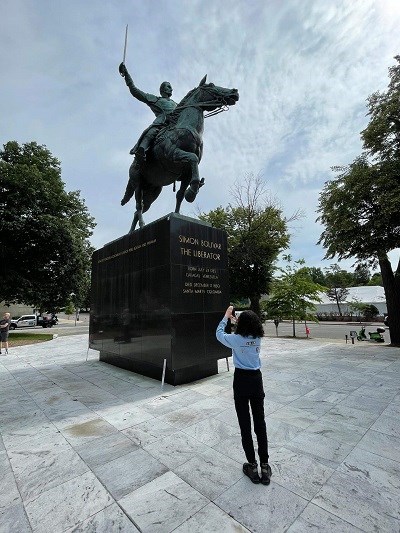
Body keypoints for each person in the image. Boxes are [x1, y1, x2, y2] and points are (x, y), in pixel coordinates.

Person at [216, 305, 272, 485]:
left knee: (245, 424)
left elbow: (219, 334)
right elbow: (245, 331)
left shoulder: (235, 339)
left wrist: (226, 317)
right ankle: (265, 465)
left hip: (241, 380)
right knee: (260, 423)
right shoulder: (257, 338)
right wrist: (237, 320)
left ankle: (252, 466)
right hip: (256, 380)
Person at [119, 62, 177, 160]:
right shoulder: (155, 99)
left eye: (171, 87)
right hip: (162, 125)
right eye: (168, 87)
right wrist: (126, 75)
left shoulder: (176, 104)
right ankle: (141, 151)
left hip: (176, 125)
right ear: (163, 90)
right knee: (151, 132)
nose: (171, 89)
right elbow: (135, 91)